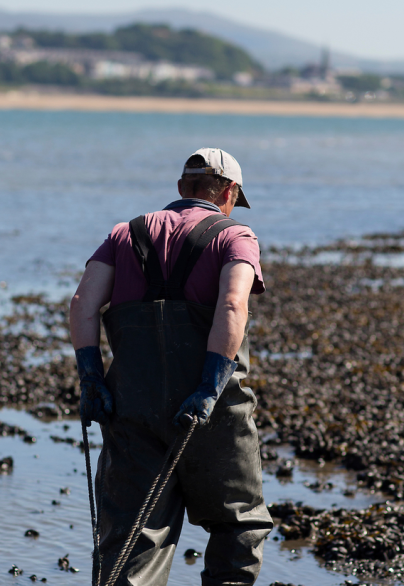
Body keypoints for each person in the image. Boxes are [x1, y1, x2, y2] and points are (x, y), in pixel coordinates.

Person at [69, 148, 273, 586]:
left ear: (182, 188)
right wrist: (209, 386)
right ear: (230, 192)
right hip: (211, 410)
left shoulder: (124, 235)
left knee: (131, 536)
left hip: (132, 407)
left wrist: (91, 379)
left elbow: (83, 304)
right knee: (238, 524)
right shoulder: (236, 236)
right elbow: (234, 303)